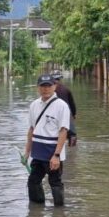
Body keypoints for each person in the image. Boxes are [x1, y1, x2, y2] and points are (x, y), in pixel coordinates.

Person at [24, 74, 71, 207]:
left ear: (54, 86)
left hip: (52, 152)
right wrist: (27, 152)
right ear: (37, 87)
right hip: (38, 152)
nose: (45, 89)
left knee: (55, 183)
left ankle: (59, 212)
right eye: (42, 86)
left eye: (48, 86)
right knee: (33, 182)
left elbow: (63, 131)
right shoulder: (34, 105)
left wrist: (56, 155)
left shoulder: (62, 106)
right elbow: (31, 129)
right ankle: (36, 212)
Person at [53, 72, 78, 146]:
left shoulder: (50, 90)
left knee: (55, 132)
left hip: (54, 114)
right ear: (60, 79)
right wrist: (73, 114)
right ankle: (72, 150)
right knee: (72, 134)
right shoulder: (66, 89)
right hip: (67, 113)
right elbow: (72, 103)